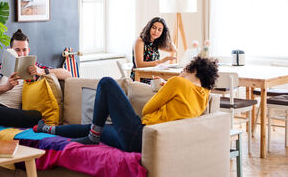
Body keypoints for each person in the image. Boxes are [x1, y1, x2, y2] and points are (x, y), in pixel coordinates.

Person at [35, 56, 218, 153]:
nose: (181, 72)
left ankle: (91, 136)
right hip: (143, 144)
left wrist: (167, 86)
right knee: (96, 129)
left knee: (106, 83)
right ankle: (48, 129)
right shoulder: (204, 97)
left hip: (140, 134)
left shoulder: (178, 83)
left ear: (191, 69)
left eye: (184, 70)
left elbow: (147, 109)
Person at [0, 29, 71, 176]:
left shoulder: (35, 69)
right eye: (17, 50)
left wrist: (41, 72)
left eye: (24, 50)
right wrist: (5, 87)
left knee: (35, 116)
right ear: (10, 51)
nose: (21, 54)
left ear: (29, 50)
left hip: (14, 114)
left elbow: (67, 74)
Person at [131, 17, 176, 81]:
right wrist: (162, 61)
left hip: (153, 77)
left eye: (159, 30)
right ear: (149, 28)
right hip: (141, 78)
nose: (156, 31)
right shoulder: (140, 41)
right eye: (154, 28)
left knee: (173, 82)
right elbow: (139, 65)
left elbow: (173, 50)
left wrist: (167, 37)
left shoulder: (154, 43)